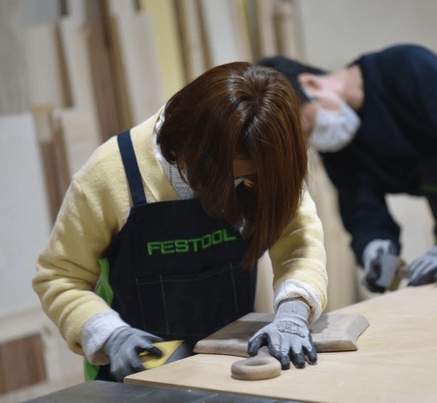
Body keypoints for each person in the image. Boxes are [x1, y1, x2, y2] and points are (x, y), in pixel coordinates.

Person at [32, 62, 328, 382]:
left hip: (226, 365)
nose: (234, 188)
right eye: (225, 176)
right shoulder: (109, 174)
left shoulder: (265, 163)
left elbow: (299, 244)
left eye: (246, 177)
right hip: (134, 374)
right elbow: (59, 277)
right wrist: (108, 334)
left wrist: (293, 314)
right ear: (189, 144)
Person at [258, 44, 437, 292]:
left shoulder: (404, 67)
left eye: (306, 129)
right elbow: (360, 203)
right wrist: (374, 245)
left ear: (311, 84)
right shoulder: (341, 144)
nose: (312, 141)